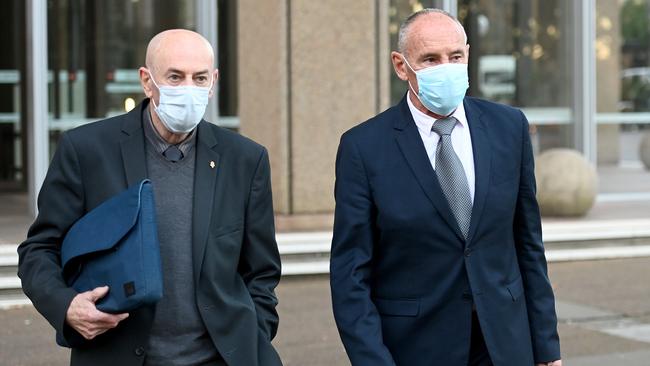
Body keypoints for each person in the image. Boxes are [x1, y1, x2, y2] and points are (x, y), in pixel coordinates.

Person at [18, 29, 282, 366]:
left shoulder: (245, 159)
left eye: (199, 78)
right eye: (175, 76)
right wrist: (66, 306)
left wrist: (255, 334)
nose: (188, 88)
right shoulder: (87, 150)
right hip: (118, 354)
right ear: (147, 80)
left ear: (213, 81)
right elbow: (39, 249)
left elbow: (261, 271)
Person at [330, 9, 561, 366]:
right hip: (415, 349)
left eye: (455, 56)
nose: (446, 68)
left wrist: (546, 347)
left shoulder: (509, 128)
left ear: (468, 54)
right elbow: (351, 274)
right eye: (430, 59)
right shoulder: (363, 148)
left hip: (505, 344)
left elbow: (528, 244)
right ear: (401, 65)